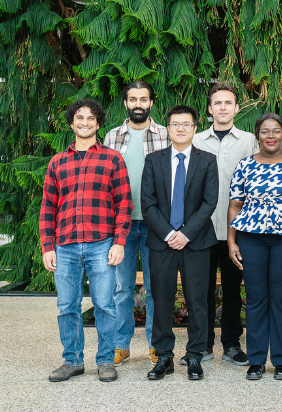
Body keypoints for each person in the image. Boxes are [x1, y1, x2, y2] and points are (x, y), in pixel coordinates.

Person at [41, 99, 132, 383]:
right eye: (79, 118)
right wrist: (47, 246)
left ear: (98, 123)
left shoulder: (112, 158)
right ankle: (72, 361)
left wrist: (119, 242)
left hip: (101, 243)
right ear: (71, 123)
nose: (84, 122)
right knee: (67, 306)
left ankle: (106, 360)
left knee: (105, 304)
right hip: (65, 245)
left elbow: (124, 204)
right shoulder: (57, 161)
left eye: (90, 118)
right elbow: (47, 208)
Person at [227, 113, 282, 381]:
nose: (271, 135)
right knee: (255, 299)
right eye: (265, 131)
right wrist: (231, 242)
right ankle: (256, 360)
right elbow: (234, 205)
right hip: (251, 239)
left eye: (276, 131)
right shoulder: (245, 165)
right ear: (257, 135)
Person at [142, 106, 219, 381]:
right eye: (175, 124)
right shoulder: (154, 160)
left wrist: (186, 233)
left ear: (195, 128)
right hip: (162, 243)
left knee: (197, 300)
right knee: (161, 299)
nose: (181, 129)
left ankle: (195, 356)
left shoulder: (207, 160)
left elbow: (210, 202)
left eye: (186, 124)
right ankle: (164, 356)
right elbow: (148, 204)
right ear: (168, 129)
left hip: (196, 242)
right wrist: (169, 234)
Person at [192, 82, 259, 367]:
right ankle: (203, 344)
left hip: (238, 231)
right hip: (201, 229)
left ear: (236, 107)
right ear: (209, 109)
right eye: (217, 103)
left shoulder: (248, 141)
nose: (222, 107)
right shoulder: (195, 140)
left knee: (233, 290)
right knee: (201, 290)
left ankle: (231, 343)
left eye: (227, 103)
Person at [103, 81, 170, 367]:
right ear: (125, 104)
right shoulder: (112, 136)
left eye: (143, 99)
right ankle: (121, 345)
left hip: (156, 223)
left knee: (156, 288)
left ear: (151, 103)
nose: (138, 104)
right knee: (121, 287)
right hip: (121, 225)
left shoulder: (165, 135)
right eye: (133, 99)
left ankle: (157, 345)